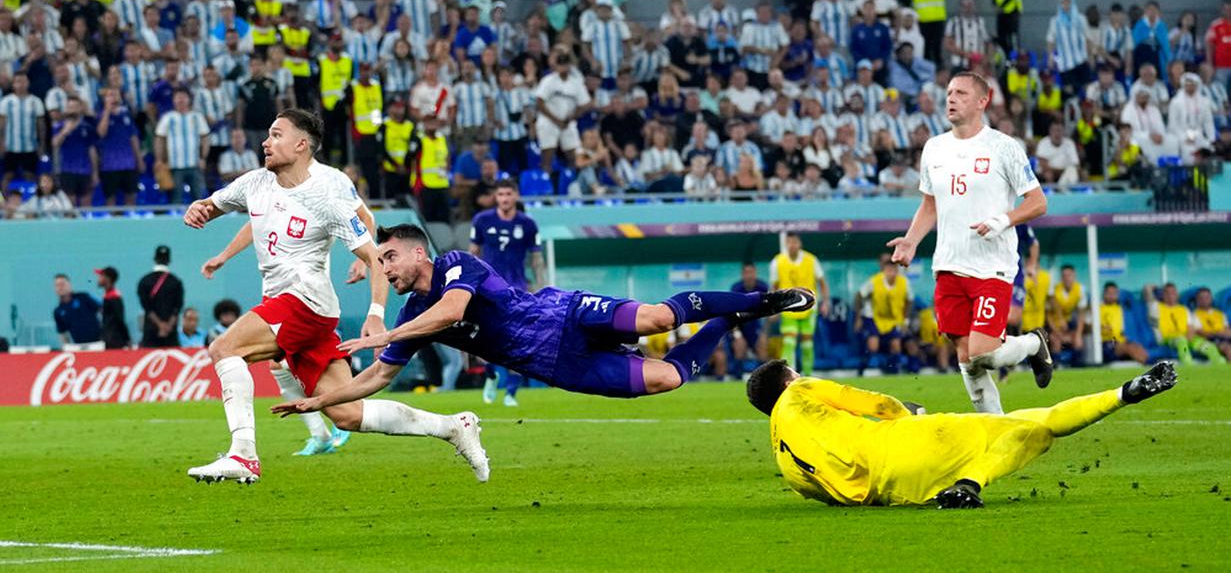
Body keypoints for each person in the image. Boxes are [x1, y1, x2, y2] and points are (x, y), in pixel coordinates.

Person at [182, 109, 488, 484]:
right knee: (348, 413)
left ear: (301, 144)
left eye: (276, 135)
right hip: (299, 308)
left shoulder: (327, 194)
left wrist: (375, 312)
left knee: (224, 348)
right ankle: (453, 427)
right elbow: (213, 207)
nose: (266, 142)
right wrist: (199, 210)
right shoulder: (254, 183)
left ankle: (243, 455)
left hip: (304, 301)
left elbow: (374, 254)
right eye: (267, 134)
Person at [273, 224, 816, 417]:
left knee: (654, 318)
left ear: (418, 253)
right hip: (560, 366)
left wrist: (385, 333)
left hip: (567, 315)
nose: (382, 268)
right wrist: (319, 402)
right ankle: (735, 317)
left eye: (387, 257)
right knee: (668, 378)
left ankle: (759, 300)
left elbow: (454, 311)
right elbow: (379, 377)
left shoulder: (457, 263)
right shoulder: (414, 313)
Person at [745, 359, 1177, 508]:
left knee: (1024, 423)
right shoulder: (799, 392)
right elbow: (870, 403)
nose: (802, 376)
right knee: (1034, 428)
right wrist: (907, 411)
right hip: (906, 442)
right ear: (786, 382)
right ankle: (1125, 393)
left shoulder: (783, 462)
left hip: (896, 493)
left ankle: (965, 483)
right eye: (796, 373)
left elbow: (828, 492)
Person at [888, 72, 1051, 415]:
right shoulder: (934, 148)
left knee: (983, 352)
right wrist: (911, 241)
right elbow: (929, 204)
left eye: (960, 93)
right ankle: (995, 431)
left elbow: (1038, 202)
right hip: (948, 266)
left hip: (992, 266)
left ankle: (1034, 343)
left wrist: (1003, 220)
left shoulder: (1004, 147)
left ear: (982, 101)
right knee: (966, 358)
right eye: (948, 92)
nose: (951, 98)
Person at [470, 179, 544, 407]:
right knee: (482, 341)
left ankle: (511, 393)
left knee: (517, 341)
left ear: (516, 196)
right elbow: (473, 253)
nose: (504, 198)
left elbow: (536, 259)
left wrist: (541, 287)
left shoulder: (528, 224)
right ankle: (491, 374)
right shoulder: (482, 221)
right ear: (496, 196)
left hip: (516, 290)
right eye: (500, 194)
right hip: (487, 288)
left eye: (508, 194)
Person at [768, 233, 830, 374]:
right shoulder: (777, 262)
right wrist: (772, 308)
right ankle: (788, 375)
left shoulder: (811, 260)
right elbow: (774, 287)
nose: (792, 245)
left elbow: (822, 282)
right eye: (789, 242)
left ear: (799, 244)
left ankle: (808, 374)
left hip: (809, 307)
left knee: (807, 343)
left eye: (794, 242)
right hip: (788, 307)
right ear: (786, 244)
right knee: (789, 342)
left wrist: (825, 302)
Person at [1144, 283, 1227, 366]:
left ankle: (1222, 367)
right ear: (1163, 295)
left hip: (1187, 338)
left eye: (1173, 293)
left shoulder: (1184, 309)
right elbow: (1147, 292)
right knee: (1182, 342)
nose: (1170, 296)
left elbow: (1190, 328)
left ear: (1177, 295)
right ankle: (1189, 368)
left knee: (1209, 346)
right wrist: (1153, 287)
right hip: (1168, 338)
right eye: (1167, 293)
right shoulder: (1156, 307)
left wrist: (1190, 337)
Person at [136, 245, 185, 349]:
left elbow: (146, 307)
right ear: (169, 260)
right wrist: (167, 327)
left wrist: (160, 325)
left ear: (155, 259)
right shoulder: (176, 282)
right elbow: (177, 307)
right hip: (170, 333)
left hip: (151, 332)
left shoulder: (144, 281)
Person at [1098, 282, 1149, 364]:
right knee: (1128, 348)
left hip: (1119, 340)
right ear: (1104, 294)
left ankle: (1146, 368)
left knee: (1139, 348)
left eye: (1114, 293)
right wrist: (1101, 328)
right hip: (1107, 341)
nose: (1111, 295)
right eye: (1109, 293)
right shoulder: (1098, 308)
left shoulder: (1120, 308)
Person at [53, 273, 101, 345]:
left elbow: (103, 310)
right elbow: (63, 333)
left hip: (99, 343)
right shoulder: (58, 311)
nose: (60, 287)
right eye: (57, 285)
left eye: (62, 284)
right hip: (79, 347)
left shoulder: (84, 297)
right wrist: (66, 348)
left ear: (69, 285)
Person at [94, 266, 131, 349]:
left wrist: (127, 339)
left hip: (114, 341)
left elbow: (120, 319)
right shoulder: (108, 296)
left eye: (101, 276)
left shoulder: (114, 297)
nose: (98, 279)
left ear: (107, 279)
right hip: (108, 339)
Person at [1192, 287, 1231, 362]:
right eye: (1201, 298)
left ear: (1211, 298)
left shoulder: (1220, 314)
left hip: (1225, 338)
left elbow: (1227, 329)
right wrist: (1217, 333)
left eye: (1207, 297)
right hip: (1210, 341)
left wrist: (1226, 333)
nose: (1204, 300)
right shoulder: (1195, 315)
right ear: (1197, 300)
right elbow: (1201, 332)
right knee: (1229, 348)